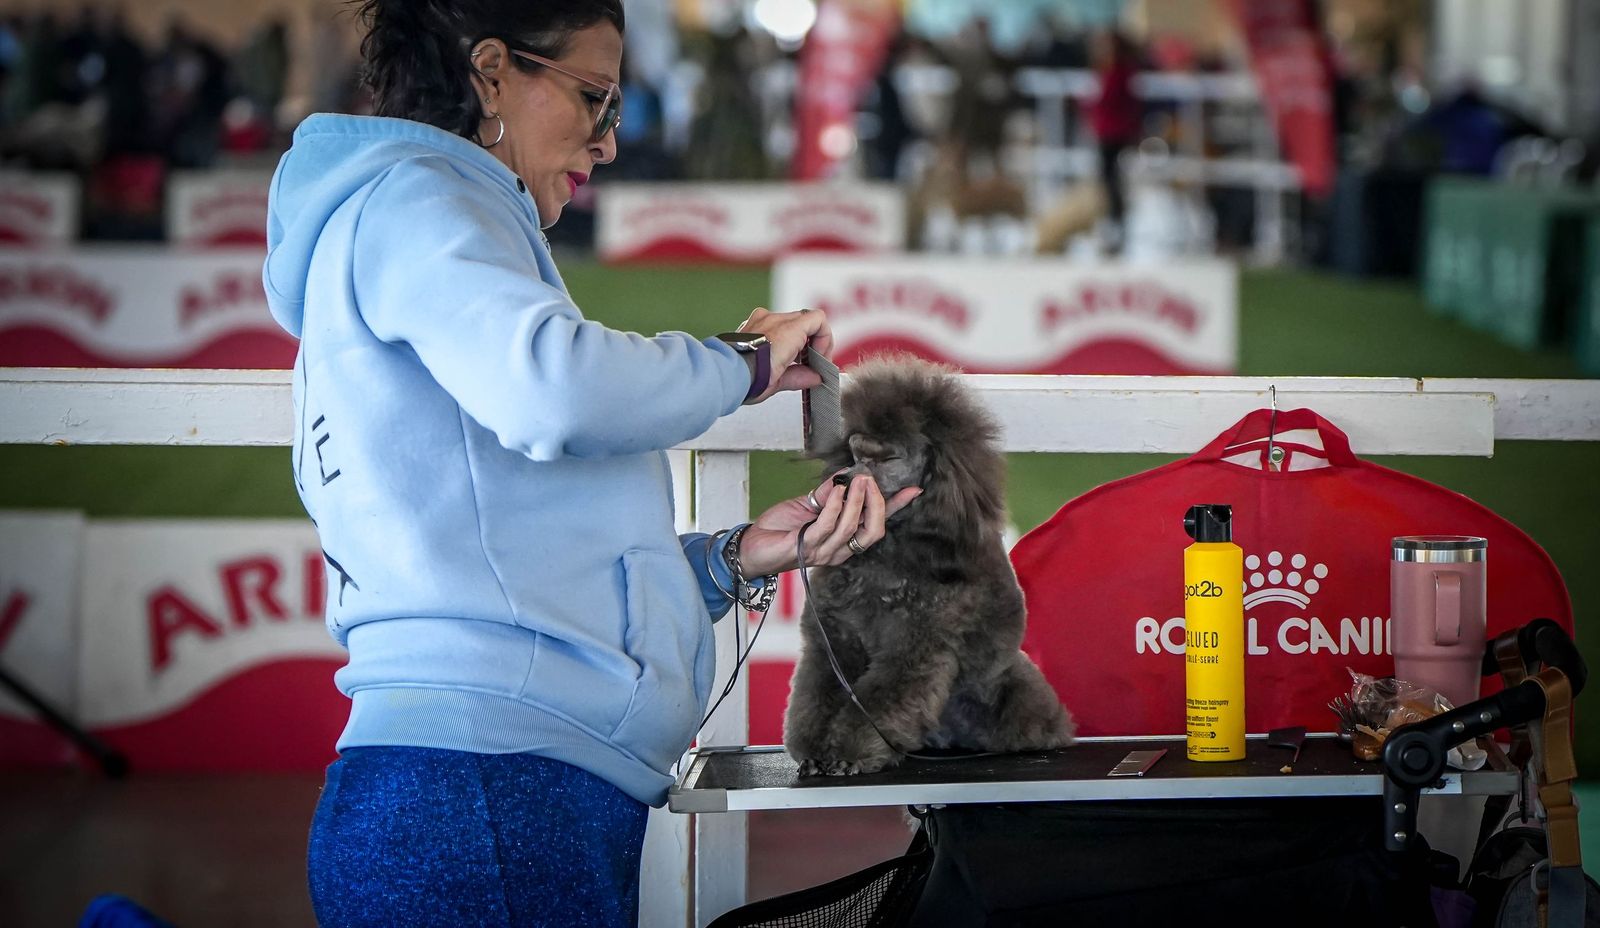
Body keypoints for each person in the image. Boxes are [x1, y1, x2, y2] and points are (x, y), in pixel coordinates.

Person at [260, 2, 922, 925]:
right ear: (490, 71)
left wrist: (723, 562)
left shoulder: (416, 213)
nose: (608, 142)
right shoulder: (421, 199)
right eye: (594, 99)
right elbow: (556, 391)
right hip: (485, 798)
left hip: (483, 795)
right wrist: (744, 362)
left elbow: (501, 544)